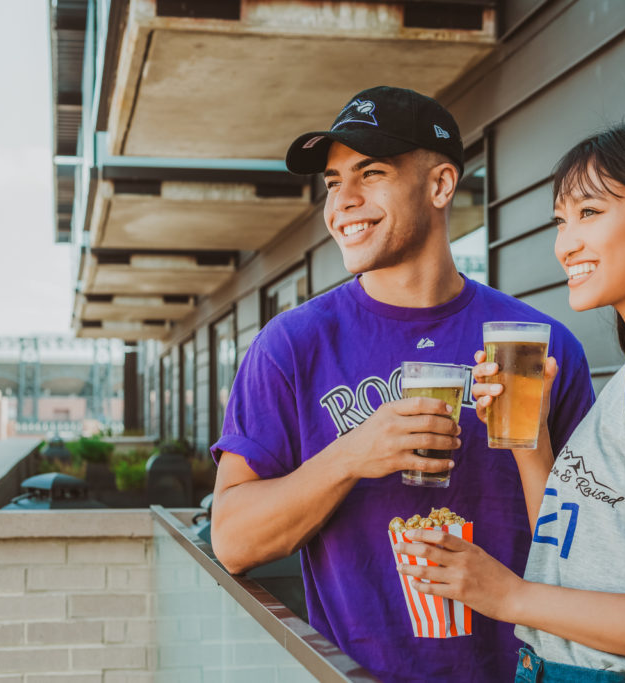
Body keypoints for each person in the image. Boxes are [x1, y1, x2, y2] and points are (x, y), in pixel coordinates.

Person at [208, 86, 594, 683]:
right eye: (334, 182)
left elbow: (588, 550)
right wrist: (352, 455)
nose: (344, 202)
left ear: (440, 186)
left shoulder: (537, 346)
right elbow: (232, 540)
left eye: (372, 173)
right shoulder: (291, 346)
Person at [395, 121, 625, 681]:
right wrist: (531, 440)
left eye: (590, 213)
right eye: (561, 220)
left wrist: (507, 596)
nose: (565, 242)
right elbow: (570, 555)